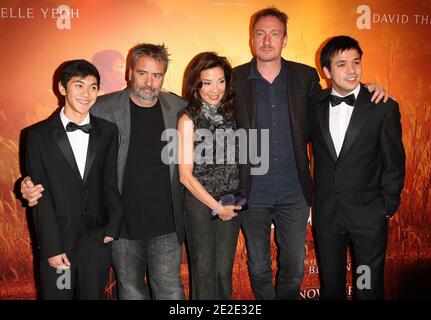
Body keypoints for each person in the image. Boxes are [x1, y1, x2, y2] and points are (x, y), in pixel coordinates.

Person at [233, 7, 388, 300]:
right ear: (252, 39)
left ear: (285, 39)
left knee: (293, 266)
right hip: (251, 193)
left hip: (295, 192)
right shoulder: (236, 79)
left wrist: (367, 89)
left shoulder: (304, 77)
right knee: (258, 266)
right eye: (261, 34)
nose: (267, 41)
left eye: (274, 34)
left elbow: (335, 98)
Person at [21, 44, 187, 300]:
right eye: (143, 73)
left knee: (170, 290)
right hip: (121, 227)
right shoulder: (100, 108)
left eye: (157, 75)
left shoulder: (179, 108)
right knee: (129, 290)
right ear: (130, 72)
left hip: (165, 225)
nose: (149, 82)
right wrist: (27, 184)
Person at [308, 35, 405, 299]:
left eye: (356, 62)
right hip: (327, 215)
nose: (351, 70)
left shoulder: (382, 107)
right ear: (326, 71)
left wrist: (385, 208)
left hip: (368, 217)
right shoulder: (314, 106)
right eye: (341, 64)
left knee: (367, 288)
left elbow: (394, 162)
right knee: (332, 287)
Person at [25, 59, 123, 299]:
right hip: (60, 243)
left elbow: (110, 182)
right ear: (62, 88)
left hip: (96, 241)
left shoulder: (108, 131)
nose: (86, 93)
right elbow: (39, 196)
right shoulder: (36, 136)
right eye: (78, 85)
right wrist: (51, 246)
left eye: (92, 87)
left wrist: (112, 227)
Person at [178, 52, 241, 299]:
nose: (215, 89)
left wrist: (228, 205)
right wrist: (217, 207)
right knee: (203, 272)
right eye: (207, 82)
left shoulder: (234, 113)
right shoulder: (188, 119)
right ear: (196, 85)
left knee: (223, 272)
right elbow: (185, 175)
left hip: (232, 200)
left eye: (221, 81)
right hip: (200, 204)